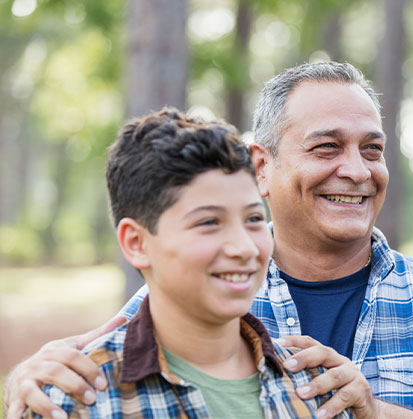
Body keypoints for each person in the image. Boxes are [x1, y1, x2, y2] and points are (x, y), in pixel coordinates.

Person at [5, 62, 413, 419]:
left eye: (372, 149)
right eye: (327, 147)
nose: (356, 170)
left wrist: (376, 411)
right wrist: (29, 380)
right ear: (262, 166)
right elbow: (102, 361)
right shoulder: (204, 291)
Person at [21, 107, 352, 418]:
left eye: (253, 218)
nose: (244, 247)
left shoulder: (317, 388)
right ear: (136, 243)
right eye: (209, 222)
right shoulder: (74, 399)